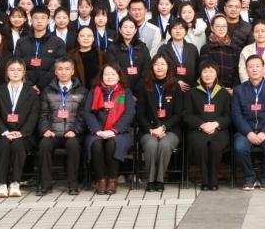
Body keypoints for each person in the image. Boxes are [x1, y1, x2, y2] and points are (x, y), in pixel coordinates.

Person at [0, 58, 39, 198]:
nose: (15, 73)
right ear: (7, 72)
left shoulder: (31, 93)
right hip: (3, 133)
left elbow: (34, 115)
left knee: (18, 144)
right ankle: (1, 184)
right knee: (3, 144)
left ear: (24, 72)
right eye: (12, 70)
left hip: (24, 134)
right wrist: (5, 132)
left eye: (19, 70)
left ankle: (15, 182)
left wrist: (21, 132)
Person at [37, 57, 87, 195]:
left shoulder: (82, 91)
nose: (63, 72)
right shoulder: (47, 90)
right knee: (44, 144)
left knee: (73, 145)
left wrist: (75, 130)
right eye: (60, 69)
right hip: (53, 132)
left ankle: (73, 185)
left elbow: (82, 116)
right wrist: (45, 130)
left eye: (67, 69)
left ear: (72, 71)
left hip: (72, 133)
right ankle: (45, 185)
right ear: (55, 71)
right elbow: (43, 114)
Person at [231, 55, 265, 190]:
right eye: (251, 66)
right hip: (245, 131)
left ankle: (264, 177)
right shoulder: (239, 90)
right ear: (246, 70)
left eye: (258, 66)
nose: (254, 69)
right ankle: (250, 177)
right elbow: (236, 114)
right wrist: (248, 132)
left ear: (263, 69)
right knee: (239, 148)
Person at [85, 63, 136, 195]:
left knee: (112, 143)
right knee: (96, 144)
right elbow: (88, 113)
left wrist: (114, 130)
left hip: (120, 132)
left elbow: (129, 113)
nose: (109, 77)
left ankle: (112, 180)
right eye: (106, 74)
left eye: (113, 74)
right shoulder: (94, 91)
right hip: (97, 131)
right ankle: (101, 180)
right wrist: (98, 131)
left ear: (119, 76)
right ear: (101, 76)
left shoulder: (125, 92)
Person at [137, 54, 184, 191]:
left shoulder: (175, 86)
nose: (159, 67)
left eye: (163, 64)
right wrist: (151, 130)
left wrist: (163, 127)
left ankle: (160, 179)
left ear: (168, 66)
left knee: (164, 144)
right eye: (156, 64)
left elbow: (179, 114)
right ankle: (151, 181)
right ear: (152, 67)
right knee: (151, 144)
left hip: (170, 129)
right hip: (148, 129)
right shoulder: (144, 86)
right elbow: (140, 114)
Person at [184, 60, 231, 191]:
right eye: (205, 71)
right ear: (200, 74)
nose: (208, 74)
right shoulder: (192, 92)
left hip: (219, 130)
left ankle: (214, 179)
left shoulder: (223, 93)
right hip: (198, 130)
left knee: (215, 146)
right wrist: (202, 125)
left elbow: (228, 115)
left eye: (211, 71)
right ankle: (205, 179)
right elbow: (187, 115)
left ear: (216, 74)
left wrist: (216, 124)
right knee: (202, 146)